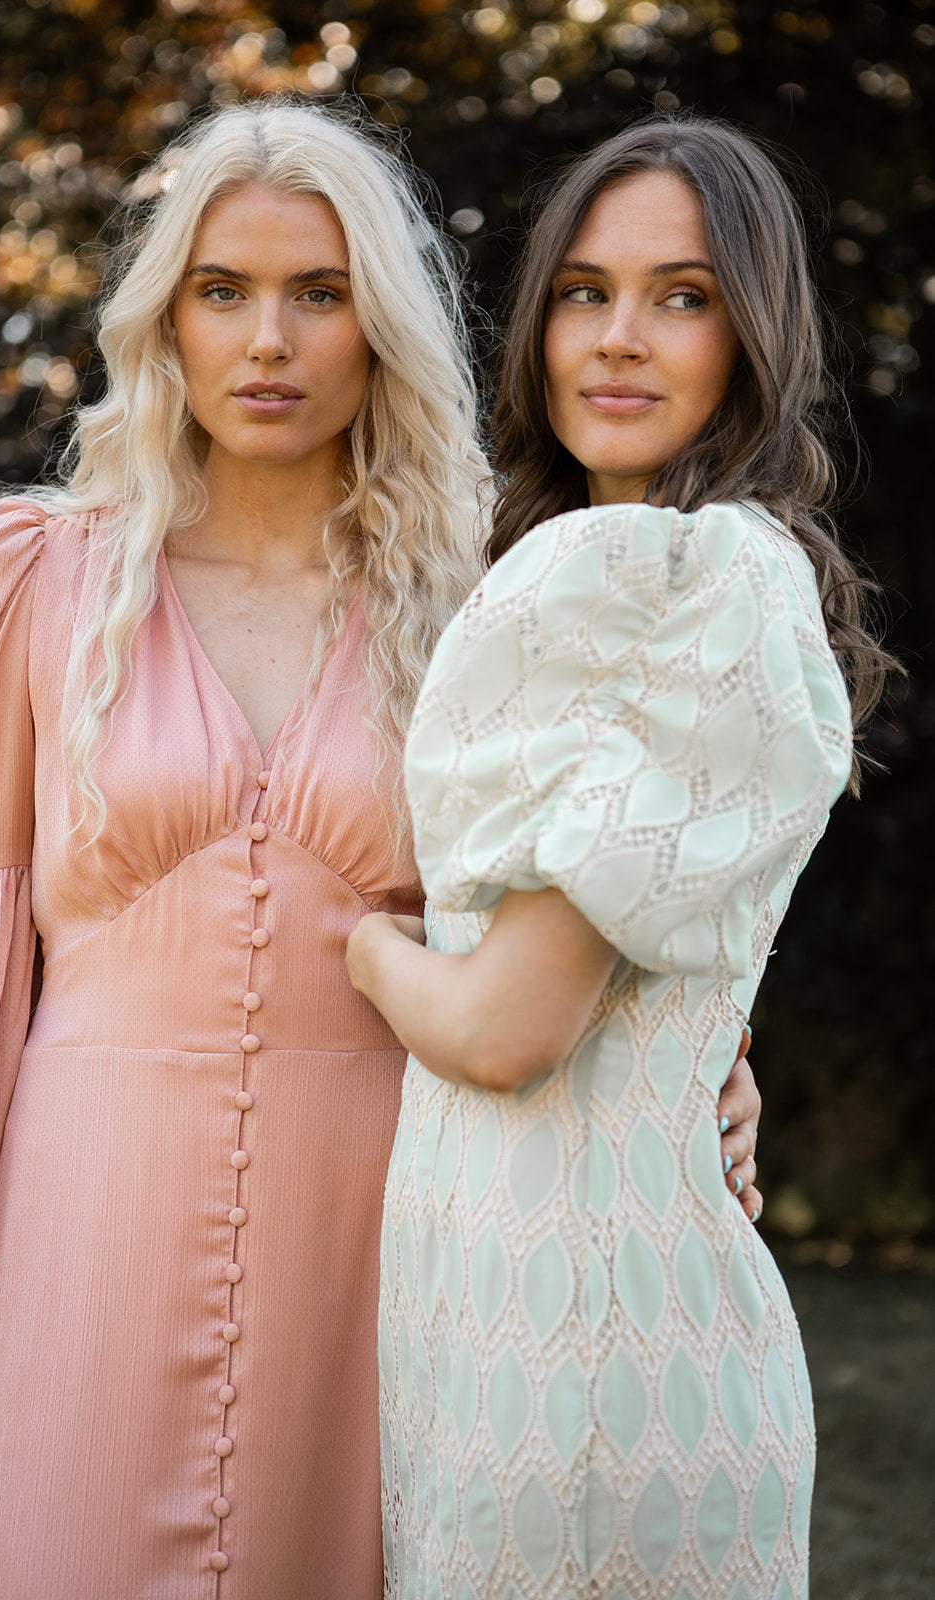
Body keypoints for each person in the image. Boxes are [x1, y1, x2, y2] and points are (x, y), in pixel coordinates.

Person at [0, 101, 760, 1600]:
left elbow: (598, 887)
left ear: (380, 325)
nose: (267, 341)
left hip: (385, 1262)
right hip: (76, 1249)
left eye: (320, 293)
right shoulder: (33, 575)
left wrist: (702, 1071)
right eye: (223, 291)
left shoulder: (493, 589)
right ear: (168, 319)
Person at [348, 114, 892, 1600]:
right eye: (584, 292)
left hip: (590, 1365)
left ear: (754, 336)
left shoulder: (686, 571)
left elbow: (503, 1027)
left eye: (684, 297)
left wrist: (362, 942)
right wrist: (711, 1052)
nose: (618, 338)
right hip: (522, 1326)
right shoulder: (605, 567)